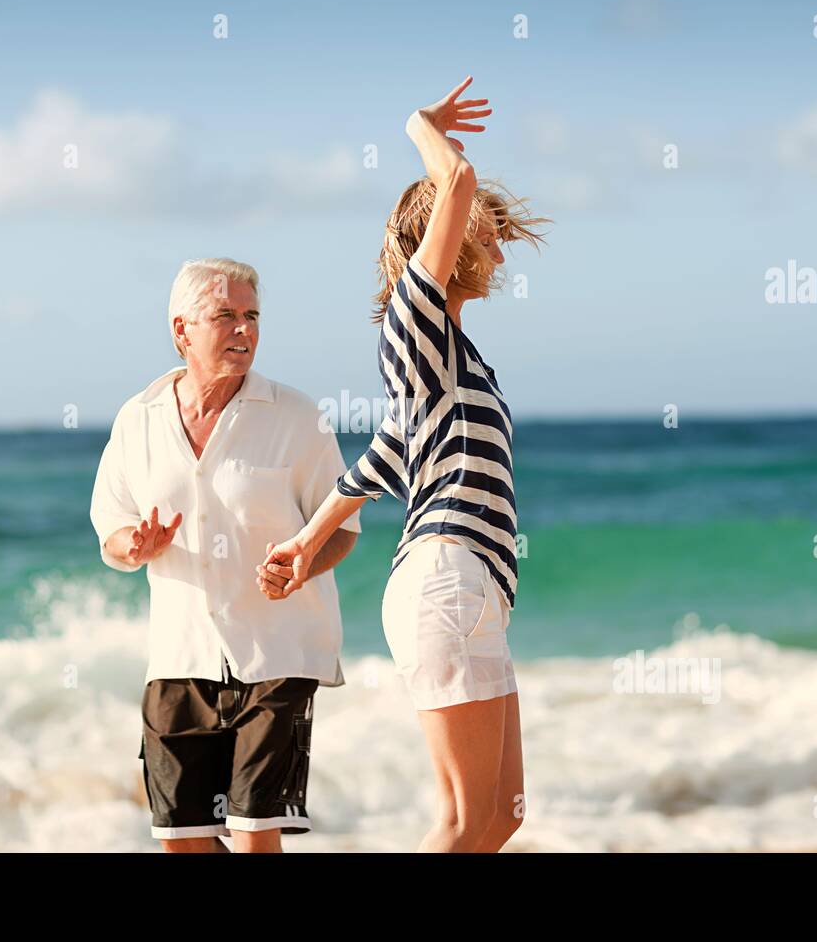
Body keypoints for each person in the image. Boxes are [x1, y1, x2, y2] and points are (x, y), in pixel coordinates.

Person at [257, 77, 549, 852]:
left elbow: (385, 456)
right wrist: (421, 126)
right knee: (460, 820)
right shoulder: (414, 318)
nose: (494, 244)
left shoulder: (451, 357)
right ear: (440, 245)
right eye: (480, 231)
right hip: (445, 578)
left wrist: (307, 539)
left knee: (503, 814)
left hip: (474, 584)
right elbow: (454, 178)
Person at [90, 257, 360, 853]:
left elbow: (342, 527)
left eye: (252, 316)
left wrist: (302, 565)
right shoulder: (138, 421)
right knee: (182, 841)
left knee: (253, 836)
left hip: (279, 655)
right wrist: (134, 544)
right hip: (177, 656)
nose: (244, 330)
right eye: (226, 316)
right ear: (182, 330)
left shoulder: (297, 417)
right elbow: (109, 525)